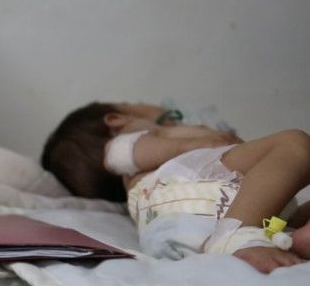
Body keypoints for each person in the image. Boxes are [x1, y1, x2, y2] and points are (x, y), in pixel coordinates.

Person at [41, 101, 310, 273]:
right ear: (116, 120)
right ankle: (236, 235)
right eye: (135, 105)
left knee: (296, 219)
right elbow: (119, 154)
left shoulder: (142, 187)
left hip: (195, 233)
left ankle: (292, 240)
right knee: (294, 144)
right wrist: (196, 139)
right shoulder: (126, 144)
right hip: (211, 210)